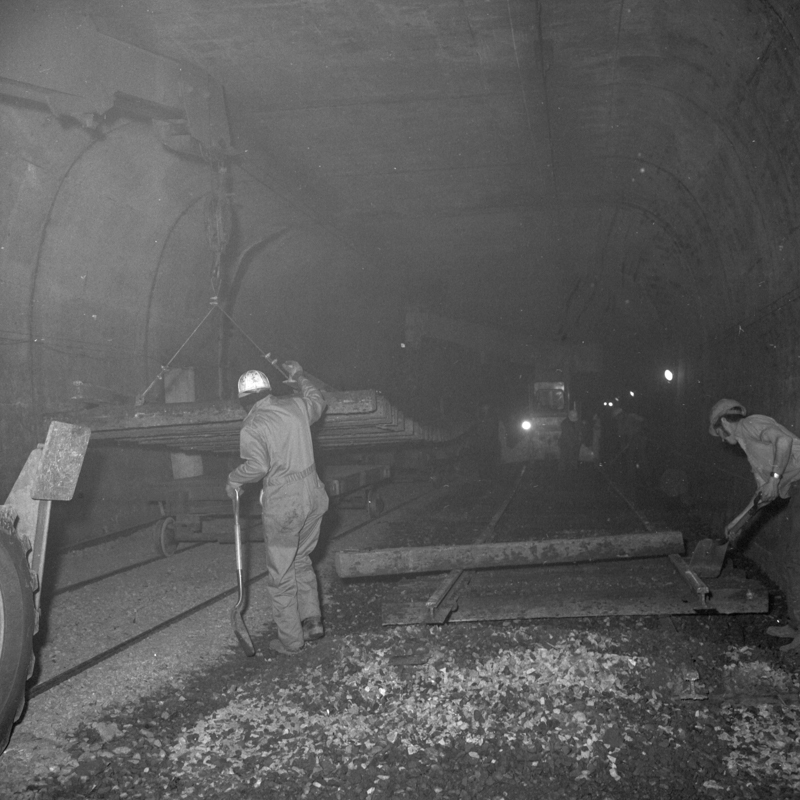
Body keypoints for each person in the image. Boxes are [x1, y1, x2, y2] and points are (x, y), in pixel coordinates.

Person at [226, 362, 329, 656]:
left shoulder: (252, 425)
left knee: (281, 574)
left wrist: (233, 480)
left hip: (285, 504)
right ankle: (312, 622)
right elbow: (318, 402)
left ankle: (291, 641)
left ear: (242, 401)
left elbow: (258, 467)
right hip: (314, 494)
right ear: (270, 390)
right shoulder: (296, 406)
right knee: (301, 559)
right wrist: (299, 377)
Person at [709, 398, 800, 650]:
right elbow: (762, 494)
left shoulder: (750, 424)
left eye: (718, 432)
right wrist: (737, 522)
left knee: (796, 561)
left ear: (725, 422)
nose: (719, 438)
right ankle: (795, 625)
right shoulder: (750, 449)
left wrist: (774, 479)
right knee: (791, 561)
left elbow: (785, 441)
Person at [559, 409, 581, 473]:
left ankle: (573, 471)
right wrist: (571, 444)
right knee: (564, 457)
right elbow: (565, 435)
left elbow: (579, 431)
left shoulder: (577, 422)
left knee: (574, 458)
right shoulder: (564, 423)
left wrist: (578, 441)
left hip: (574, 443)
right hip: (565, 443)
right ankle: (562, 472)